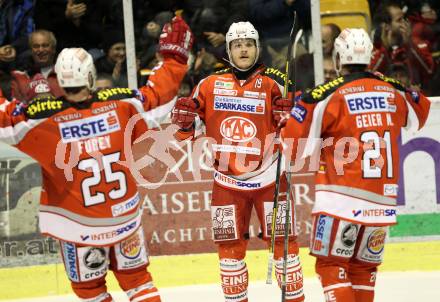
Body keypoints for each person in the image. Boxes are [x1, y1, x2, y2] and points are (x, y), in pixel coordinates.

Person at [0, 16, 193, 302]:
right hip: (124, 218)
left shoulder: (41, 119)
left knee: (91, 292)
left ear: (58, 80)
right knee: (139, 283)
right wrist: (174, 59)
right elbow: (158, 97)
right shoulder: (122, 105)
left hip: (77, 226)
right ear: (90, 75)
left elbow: (4, 119)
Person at [282, 28, 431, 302]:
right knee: (364, 269)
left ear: (339, 57)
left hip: (339, 201)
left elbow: (292, 145)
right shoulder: (393, 90)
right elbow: (421, 110)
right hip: (381, 204)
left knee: (331, 265)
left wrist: (289, 116)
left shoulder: (326, 95)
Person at [171, 21, 304, 302]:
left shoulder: (276, 82)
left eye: (248, 44)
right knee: (229, 252)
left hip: (271, 179)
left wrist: (289, 117)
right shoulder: (208, 84)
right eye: (237, 45)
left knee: (284, 248)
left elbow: (301, 127)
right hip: (227, 184)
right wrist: (183, 124)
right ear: (228, 51)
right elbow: (185, 135)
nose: (243, 49)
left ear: (257, 48)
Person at [11, 30, 64, 103]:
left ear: (53, 49)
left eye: (45, 45)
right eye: (36, 46)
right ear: (31, 50)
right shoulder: (20, 77)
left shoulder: (65, 73)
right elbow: (16, 108)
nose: (41, 50)